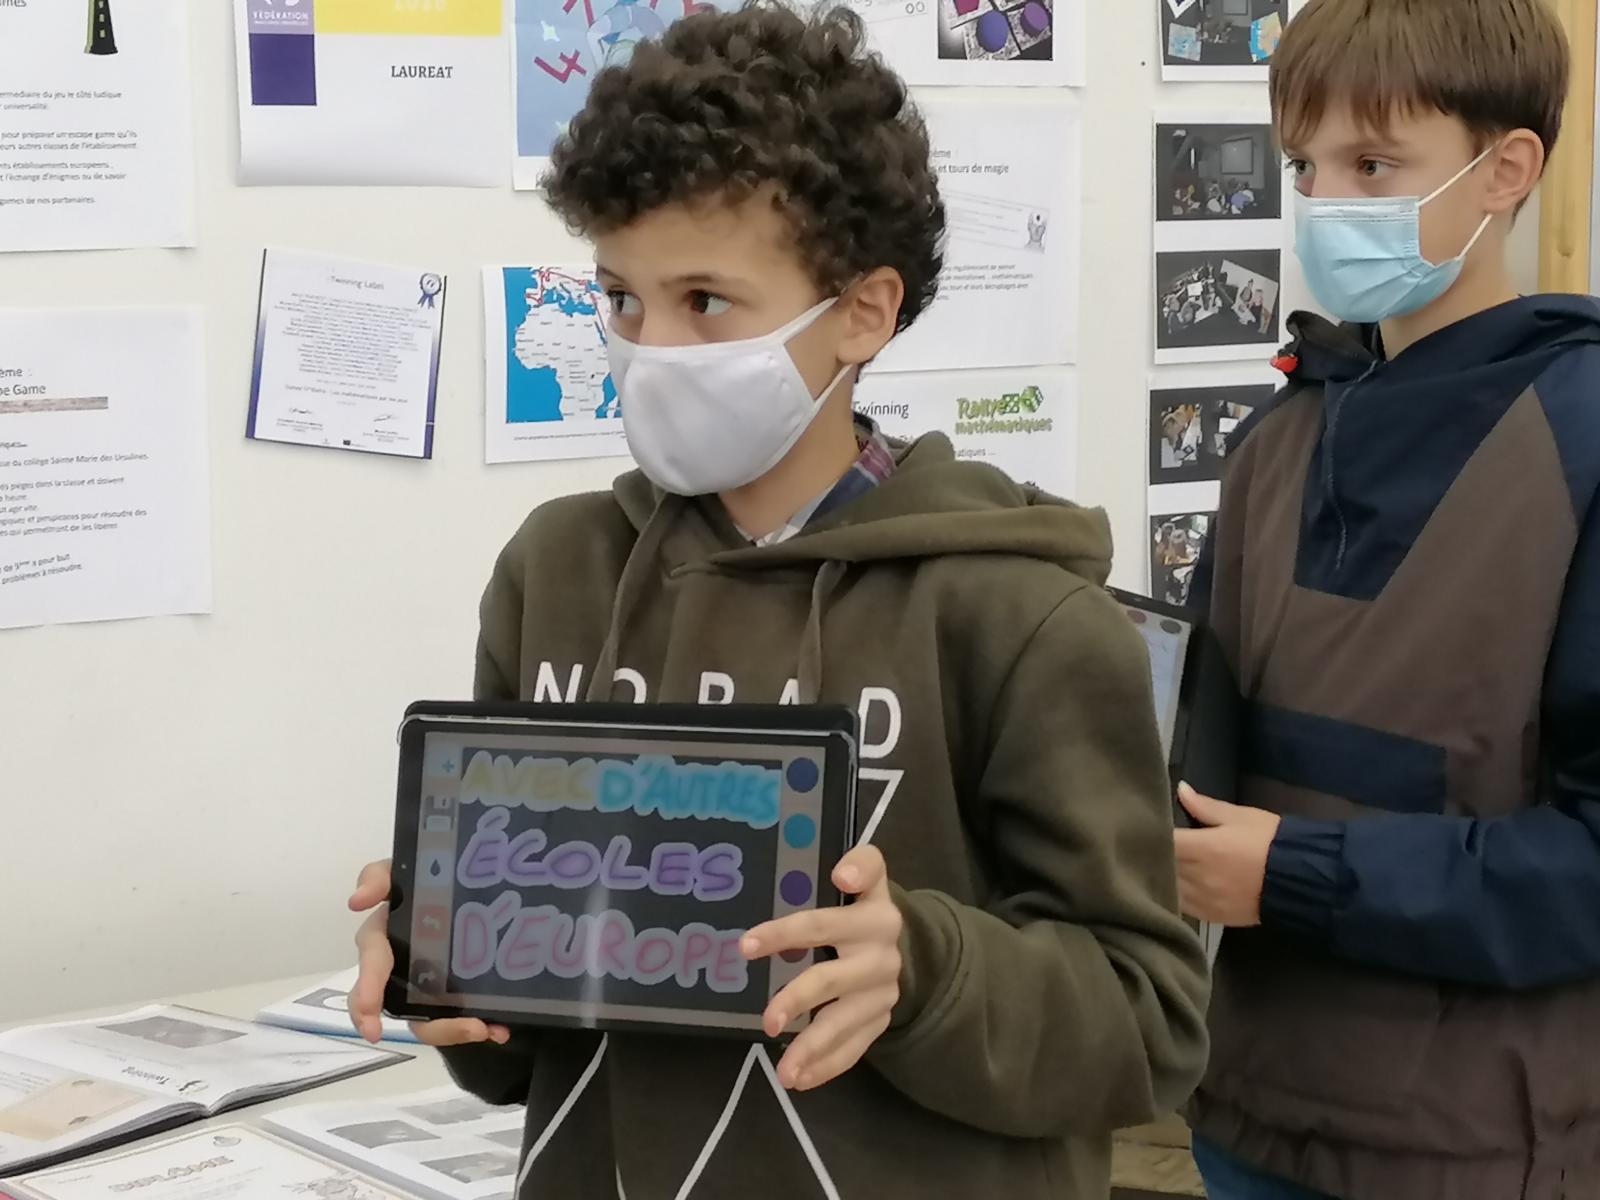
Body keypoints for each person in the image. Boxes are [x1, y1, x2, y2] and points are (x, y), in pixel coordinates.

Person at [346, 6, 1209, 1199]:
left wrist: (924, 970)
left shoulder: (1017, 615)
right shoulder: (558, 572)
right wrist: (446, 957)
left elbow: (1148, 1022)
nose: (652, 348)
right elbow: (519, 1051)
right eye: (620, 298)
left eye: (706, 301)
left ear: (861, 311)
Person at [1175, 1, 1600, 1197]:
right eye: (1304, 167)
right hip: (1242, 1113)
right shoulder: (1277, 438)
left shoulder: (1580, 439)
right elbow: (1201, 753)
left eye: (1372, 165)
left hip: (1478, 1151)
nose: (1325, 202)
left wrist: (1296, 874)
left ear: (1504, 170)